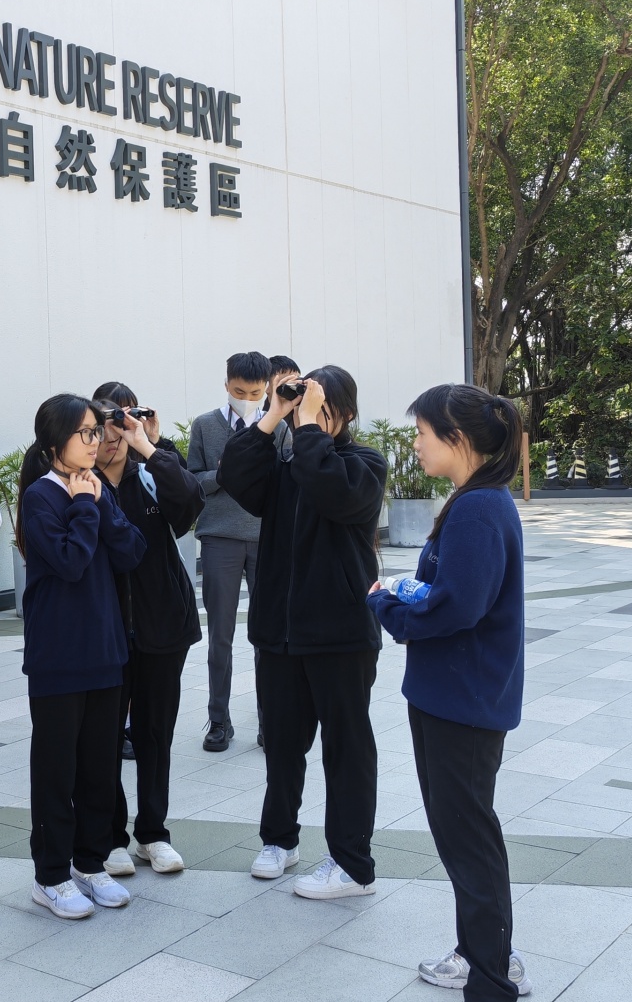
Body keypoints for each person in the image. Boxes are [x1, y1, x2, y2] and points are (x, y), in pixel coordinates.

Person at [368, 384, 531, 1000]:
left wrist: (389, 609)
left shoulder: (479, 509)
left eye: (422, 432)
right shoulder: (476, 501)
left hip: (463, 701)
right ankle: (484, 954)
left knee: (468, 838)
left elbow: (458, 607)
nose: (415, 443)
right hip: (455, 694)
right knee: (465, 833)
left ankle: (491, 977)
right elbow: (454, 594)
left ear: (456, 438)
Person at [220, 365, 387, 899]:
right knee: (282, 746)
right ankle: (279, 840)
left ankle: (352, 864)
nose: (306, 416)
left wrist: (310, 427)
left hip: (341, 635)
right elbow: (234, 474)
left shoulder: (364, 464)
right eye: (303, 406)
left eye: (321, 408)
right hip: (280, 634)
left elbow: (333, 492)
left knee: (346, 750)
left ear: (348, 414)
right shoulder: (287, 465)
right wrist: (274, 413)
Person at [17, 395, 146, 920]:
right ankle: (50, 876)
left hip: (105, 650)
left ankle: (89, 864)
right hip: (59, 655)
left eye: (97, 431)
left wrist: (97, 503)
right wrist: (87, 506)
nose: (97, 441)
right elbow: (70, 561)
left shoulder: (95, 487)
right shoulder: (40, 497)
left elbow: (132, 551)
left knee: (98, 767)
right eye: (85, 433)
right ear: (54, 443)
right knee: (56, 770)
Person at [93, 382, 204, 875]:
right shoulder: (81, 483)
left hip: (163, 624)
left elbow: (191, 504)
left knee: (155, 734)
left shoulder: (152, 473)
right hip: (106, 631)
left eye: (123, 422)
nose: (113, 436)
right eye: (102, 426)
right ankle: (111, 836)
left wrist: (153, 447)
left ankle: (153, 833)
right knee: (104, 735)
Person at [186, 351, 301, 750]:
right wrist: (226, 472)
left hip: (265, 537)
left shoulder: (279, 427)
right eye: (239, 391)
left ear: (266, 388)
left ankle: (269, 720)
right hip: (219, 537)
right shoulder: (205, 425)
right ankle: (218, 720)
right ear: (226, 385)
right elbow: (193, 481)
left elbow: (287, 481)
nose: (247, 399)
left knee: (266, 635)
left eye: (255, 393)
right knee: (220, 635)